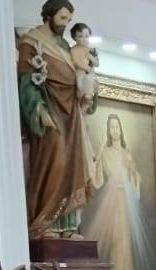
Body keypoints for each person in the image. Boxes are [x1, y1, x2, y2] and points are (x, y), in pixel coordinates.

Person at [17, 0, 94, 238]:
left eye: (68, 20)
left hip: (71, 112)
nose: (65, 24)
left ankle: (67, 226)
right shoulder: (32, 42)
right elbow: (27, 80)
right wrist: (38, 109)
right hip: (49, 109)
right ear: (49, 15)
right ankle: (44, 223)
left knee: (72, 165)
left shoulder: (64, 46)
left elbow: (78, 73)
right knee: (54, 160)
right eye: (62, 18)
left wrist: (88, 90)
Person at [82, 114, 156, 270]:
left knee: (126, 242)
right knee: (115, 241)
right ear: (108, 131)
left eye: (117, 127)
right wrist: (100, 149)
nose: (115, 130)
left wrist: (132, 172)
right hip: (112, 203)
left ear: (121, 130)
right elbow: (95, 178)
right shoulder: (106, 152)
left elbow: (135, 178)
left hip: (126, 202)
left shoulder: (127, 153)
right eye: (112, 127)